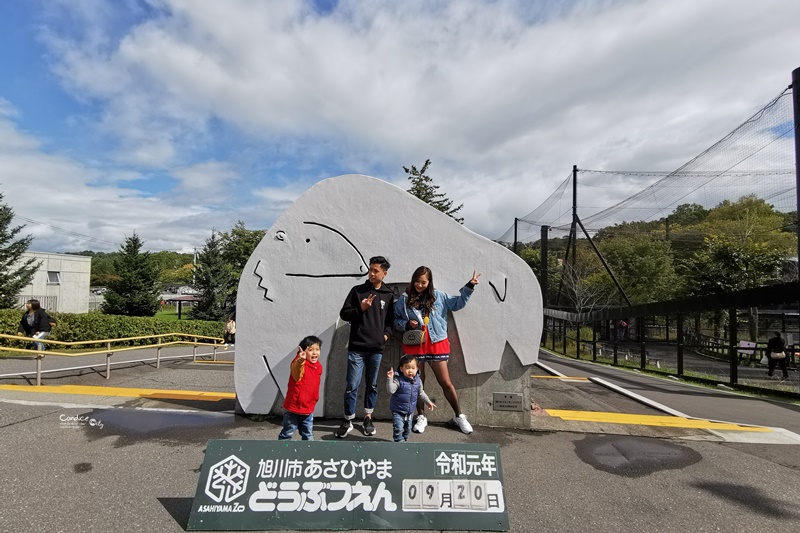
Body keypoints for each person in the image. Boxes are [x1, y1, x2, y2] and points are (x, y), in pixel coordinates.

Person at [394, 266, 480, 435]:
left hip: (436, 342)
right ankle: (421, 417)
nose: (419, 285)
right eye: (417, 281)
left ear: (429, 282)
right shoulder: (404, 300)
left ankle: (459, 416)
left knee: (446, 382)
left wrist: (469, 286)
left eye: (423, 282)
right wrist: (405, 325)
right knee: (417, 383)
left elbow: (458, 303)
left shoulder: (439, 296)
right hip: (415, 344)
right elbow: (395, 320)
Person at [336, 256, 395, 438]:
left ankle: (368, 417)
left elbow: (391, 321)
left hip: (376, 349)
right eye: (370, 269)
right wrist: (360, 309)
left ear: (384, 273)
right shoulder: (357, 291)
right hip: (357, 347)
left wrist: (385, 335)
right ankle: (348, 419)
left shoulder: (388, 294)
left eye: (376, 270)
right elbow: (344, 314)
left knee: (372, 385)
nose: (371, 273)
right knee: (352, 385)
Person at [278, 336, 324, 441]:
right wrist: (300, 361)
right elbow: (296, 372)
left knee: (308, 435)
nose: (315, 353)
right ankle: (281, 453)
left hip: (308, 409)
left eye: (317, 349)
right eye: (311, 350)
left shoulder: (318, 366)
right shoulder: (298, 363)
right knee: (287, 433)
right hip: (294, 409)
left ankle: (308, 455)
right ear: (303, 351)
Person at [387, 354, 435, 442]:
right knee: (398, 428)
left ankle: (405, 441)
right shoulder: (399, 380)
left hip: (410, 412)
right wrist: (390, 379)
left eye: (413, 368)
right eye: (407, 368)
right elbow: (391, 390)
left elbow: (421, 393)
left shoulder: (418, 381)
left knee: (408, 429)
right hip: (398, 411)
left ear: (417, 369)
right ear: (401, 369)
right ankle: (399, 442)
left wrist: (428, 402)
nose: (410, 371)